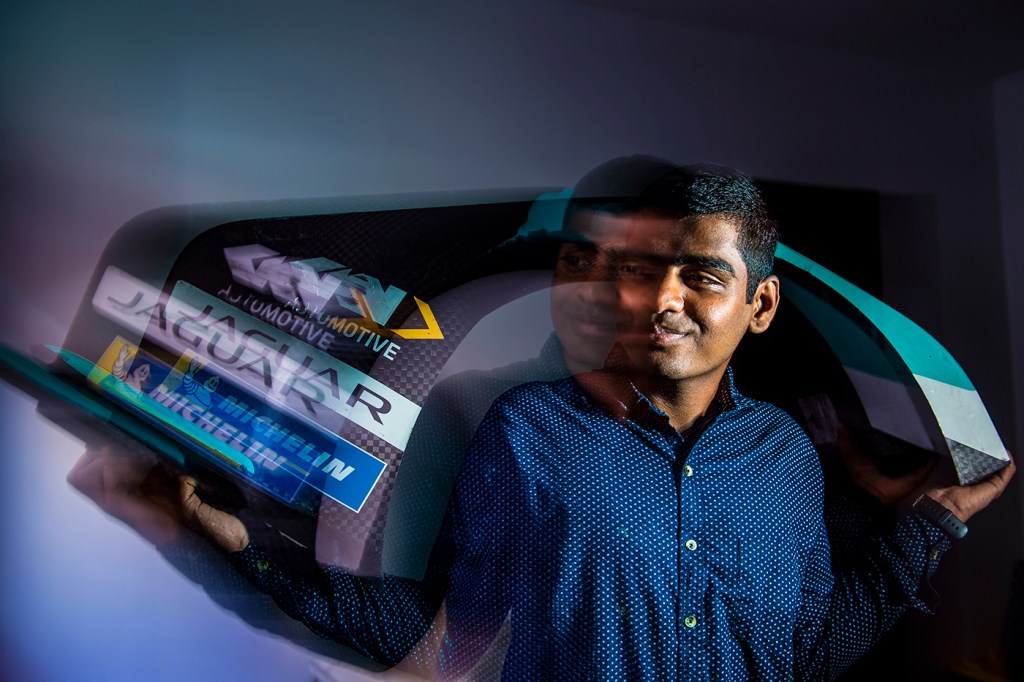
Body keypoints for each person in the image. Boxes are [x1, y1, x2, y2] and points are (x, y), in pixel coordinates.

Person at [69, 161, 1015, 679]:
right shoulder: (525, 432)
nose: (662, 301)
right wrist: (228, 536)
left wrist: (930, 527)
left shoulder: (785, 461)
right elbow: (445, 635)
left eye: (704, 277)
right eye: (647, 271)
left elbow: (804, 651)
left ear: (758, 308)